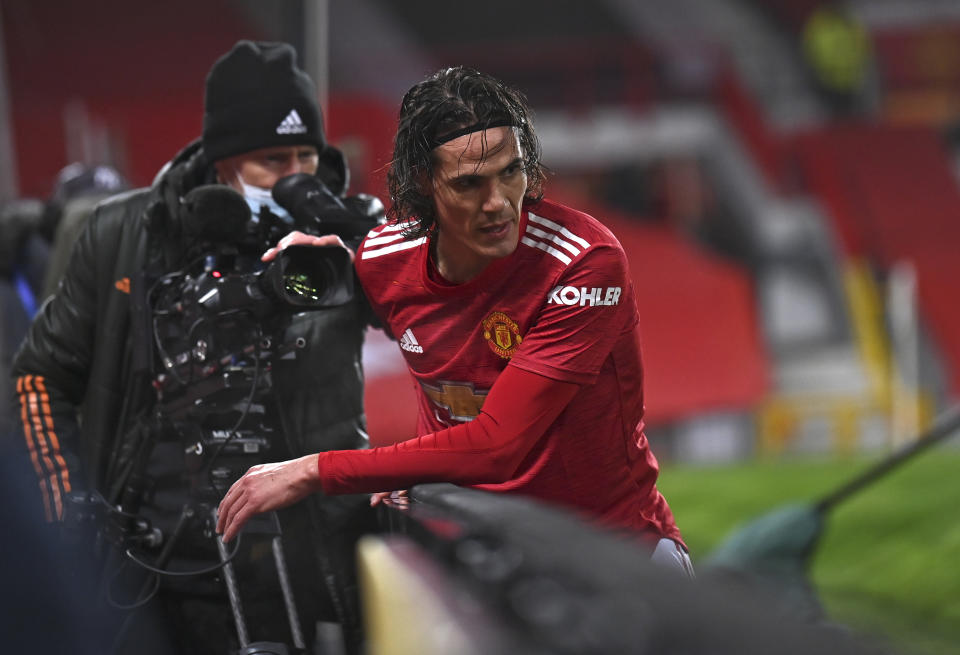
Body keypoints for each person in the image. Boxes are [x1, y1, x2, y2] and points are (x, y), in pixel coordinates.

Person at [217, 66, 693, 576]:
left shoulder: (582, 260)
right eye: (469, 183)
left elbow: (495, 447)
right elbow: (439, 356)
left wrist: (316, 469)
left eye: (511, 172)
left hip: (615, 556)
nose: (498, 204)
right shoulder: (382, 260)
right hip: (485, 553)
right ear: (424, 182)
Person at [11, 40, 380, 654]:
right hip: (144, 569)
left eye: (305, 157)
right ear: (220, 164)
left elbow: (436, 327)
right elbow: (40, 374)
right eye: (271, 160)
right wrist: (64, 505)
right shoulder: (120, 232)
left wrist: (365, 247)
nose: (294, 177)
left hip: (298, 563)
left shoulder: (341, 240)